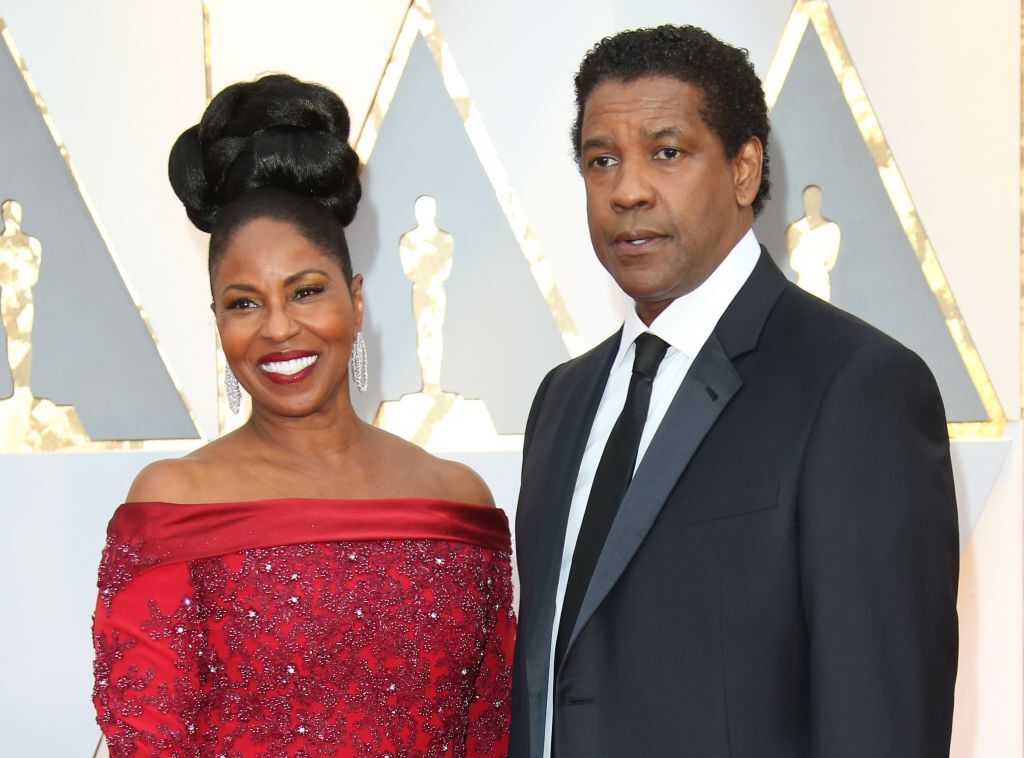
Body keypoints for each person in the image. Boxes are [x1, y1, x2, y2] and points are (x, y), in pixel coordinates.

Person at [510, 25, 958, 758]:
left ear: (745, 169)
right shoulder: (562, 401)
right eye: (601, 161)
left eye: (667, 152)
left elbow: (881, 718)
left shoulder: (856, 386)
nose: (627, 190)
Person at [91, 74, 514, 757]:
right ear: (217, 322)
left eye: (306, 291)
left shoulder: (457, 499)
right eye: (244, 302)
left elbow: (491, 734)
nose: (279, 329)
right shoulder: (173, 503)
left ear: (355, 298)